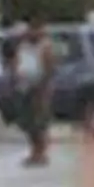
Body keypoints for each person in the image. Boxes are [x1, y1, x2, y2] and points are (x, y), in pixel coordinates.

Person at [11, 20, 57, 166]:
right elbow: (16, 63)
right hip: (23, 86)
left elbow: (50, 69)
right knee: (27, 122)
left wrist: (42, 87)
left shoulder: (45, 46)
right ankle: (34, 150)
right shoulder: (23, 46)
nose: (30, 33)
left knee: (39, 122)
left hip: (39, 88)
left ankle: (41, 153)